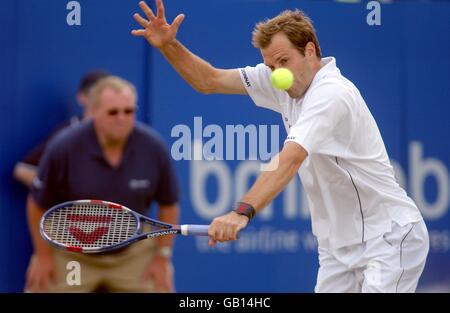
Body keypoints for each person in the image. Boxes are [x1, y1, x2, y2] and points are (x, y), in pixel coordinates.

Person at [131, 0, 429, 293]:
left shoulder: (331, 94)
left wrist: (240, 212)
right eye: (270, 65)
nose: (278, 74)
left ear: (310, 50)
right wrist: (169, 45)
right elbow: (208, 80)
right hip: (337, 248)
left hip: (388, 237)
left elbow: (290, 159)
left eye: (284, 61)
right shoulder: (281, 79)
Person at [25, 76, 180, 293]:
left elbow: (169, 205)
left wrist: (162, 257)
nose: (121, 118)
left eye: (128, 111)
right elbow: (36, 203)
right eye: (113, 112)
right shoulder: (64, 146)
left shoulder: (153, 147)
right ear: (94, 112)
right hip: (73, 252)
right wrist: (42, 256)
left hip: (133, 253)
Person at [13, 70, 110, 188]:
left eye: (106, 96)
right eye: (95, 95)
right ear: (81, 97)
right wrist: (55, 190)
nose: (100, 101)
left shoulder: (124, 133)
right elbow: (22, 169)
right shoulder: (65, 133)